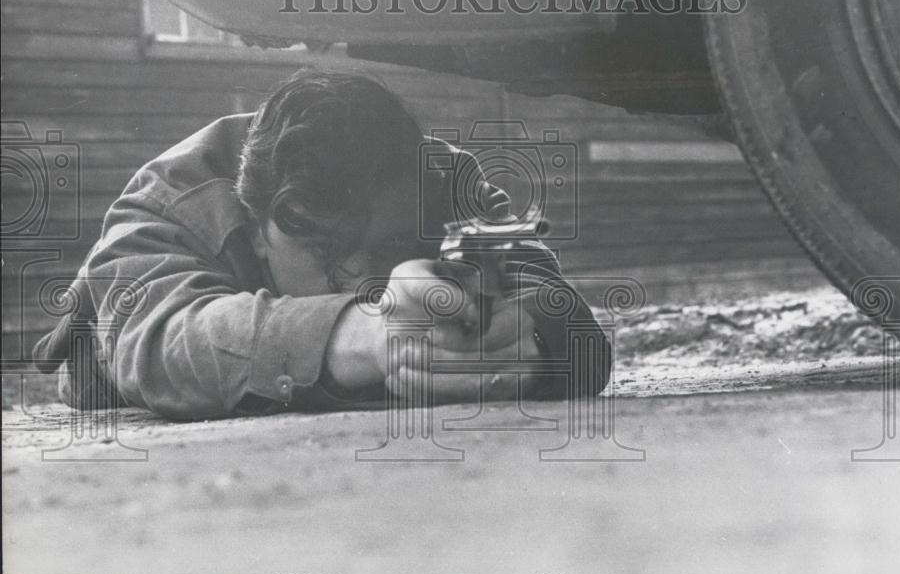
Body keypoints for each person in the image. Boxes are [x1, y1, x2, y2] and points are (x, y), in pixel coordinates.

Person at [32, 69, 611, 419]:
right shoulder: (170, 196)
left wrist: (524, 336)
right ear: (255, 227)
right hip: (105, 363)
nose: (362, 278)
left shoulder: (442, 179)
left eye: (388, 244)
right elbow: (157, 340)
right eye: (326, 250)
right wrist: (367, 336)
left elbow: (564, 314)